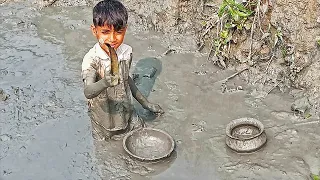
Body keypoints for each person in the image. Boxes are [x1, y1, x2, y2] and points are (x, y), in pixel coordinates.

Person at [81, 0, 164, 140]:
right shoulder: (91, 60)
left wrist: (146, 103)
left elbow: (126, 79)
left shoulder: (126, 52)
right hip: (103, 118)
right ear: (95, 31)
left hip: (127, 112)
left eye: (119, 32)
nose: (113, 39)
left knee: (142, 134)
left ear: (125, 29)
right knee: (106, 149)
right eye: (105, 32)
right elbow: (88, 92)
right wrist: (104, 83)